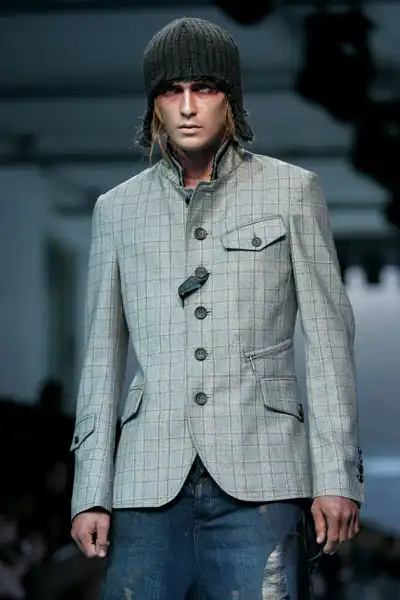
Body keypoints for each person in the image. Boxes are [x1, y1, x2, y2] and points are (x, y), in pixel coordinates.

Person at [70, 16, 364, 600]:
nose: (187, 107)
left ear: (230, 99)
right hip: (148, 477)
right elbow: (101, 357)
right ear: (154, 105)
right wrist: (90, 490)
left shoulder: (291, 192)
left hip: (264, 474)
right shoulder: (117, 210)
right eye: (171, 91)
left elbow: (329, 341)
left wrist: (336, 476)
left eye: (203, 89)